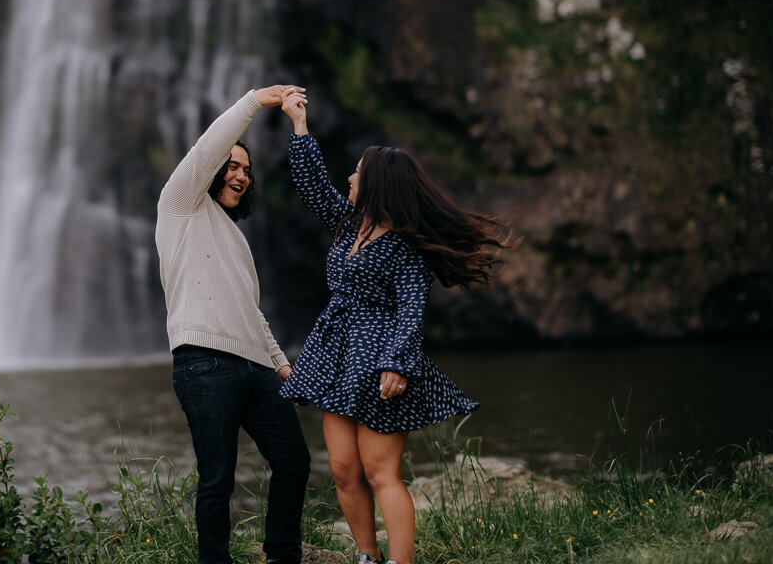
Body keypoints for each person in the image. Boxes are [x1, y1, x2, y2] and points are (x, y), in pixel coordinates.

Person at [277, 88, 516, 564]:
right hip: (337, 356)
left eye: (358, 172)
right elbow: (312, 186)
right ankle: (366, 556)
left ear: (379, 183)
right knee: (344, 470)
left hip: (380, 358)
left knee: (380, 471)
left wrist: (398, 363)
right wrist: (299, 126)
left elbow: (411, 306)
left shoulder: (406, 246)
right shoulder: (348, 223)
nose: (349, 177)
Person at [156, 85, 312, 564]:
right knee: (218, 477)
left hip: (256, 368)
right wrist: (255, 102)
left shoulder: (237, 241)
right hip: (203, 364)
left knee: (294, 461)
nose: (241, 175)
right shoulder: (180, 206)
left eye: (247, 170)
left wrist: (283, 366)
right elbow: (206, 149)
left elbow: (251, 312)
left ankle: (282, 556)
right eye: (232, 165)